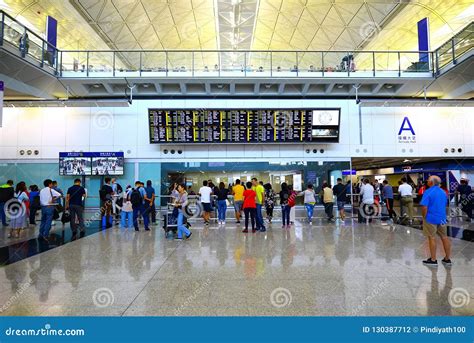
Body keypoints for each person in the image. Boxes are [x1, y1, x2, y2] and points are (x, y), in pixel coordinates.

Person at [420, 175, 452, 267]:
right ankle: (447, 259)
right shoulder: (443, 192)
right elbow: (444, 204)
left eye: (428, 180)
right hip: (442, 218)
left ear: (431, 182)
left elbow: (424, 207)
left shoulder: (428, 192)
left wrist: (424, 216)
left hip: (431, 218)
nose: (427, 182)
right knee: (444, 237)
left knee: (432, 237)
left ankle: (433, 260)